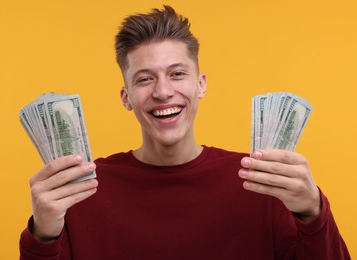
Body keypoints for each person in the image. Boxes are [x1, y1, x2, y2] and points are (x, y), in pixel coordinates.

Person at [19, 5, 350, 259]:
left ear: (201, 84)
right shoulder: (80, 191)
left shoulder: (263, 182)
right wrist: (43, 235)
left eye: (177, 73)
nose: (163, 91)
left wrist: (313, 212)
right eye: (145, 79)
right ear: (126, 98)